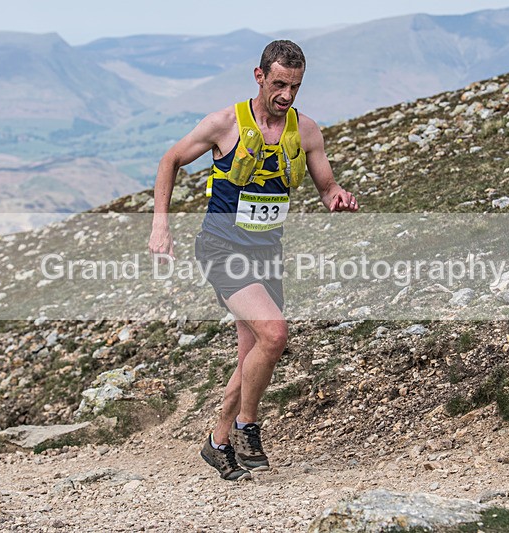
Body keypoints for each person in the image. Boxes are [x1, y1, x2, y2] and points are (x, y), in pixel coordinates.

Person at [148, 40, 358, 481]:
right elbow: (170, 160)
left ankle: (217, 441)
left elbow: (326, 186)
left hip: (266, 254)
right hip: (222, 248)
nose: (286, 95)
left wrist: (336, 197)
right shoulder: (224, 124)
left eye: (295, 87)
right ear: (259, 76)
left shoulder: (307, 131)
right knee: (275, 333)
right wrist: (160, 225)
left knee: (254, 355)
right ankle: (247, 427)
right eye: (278, 84)